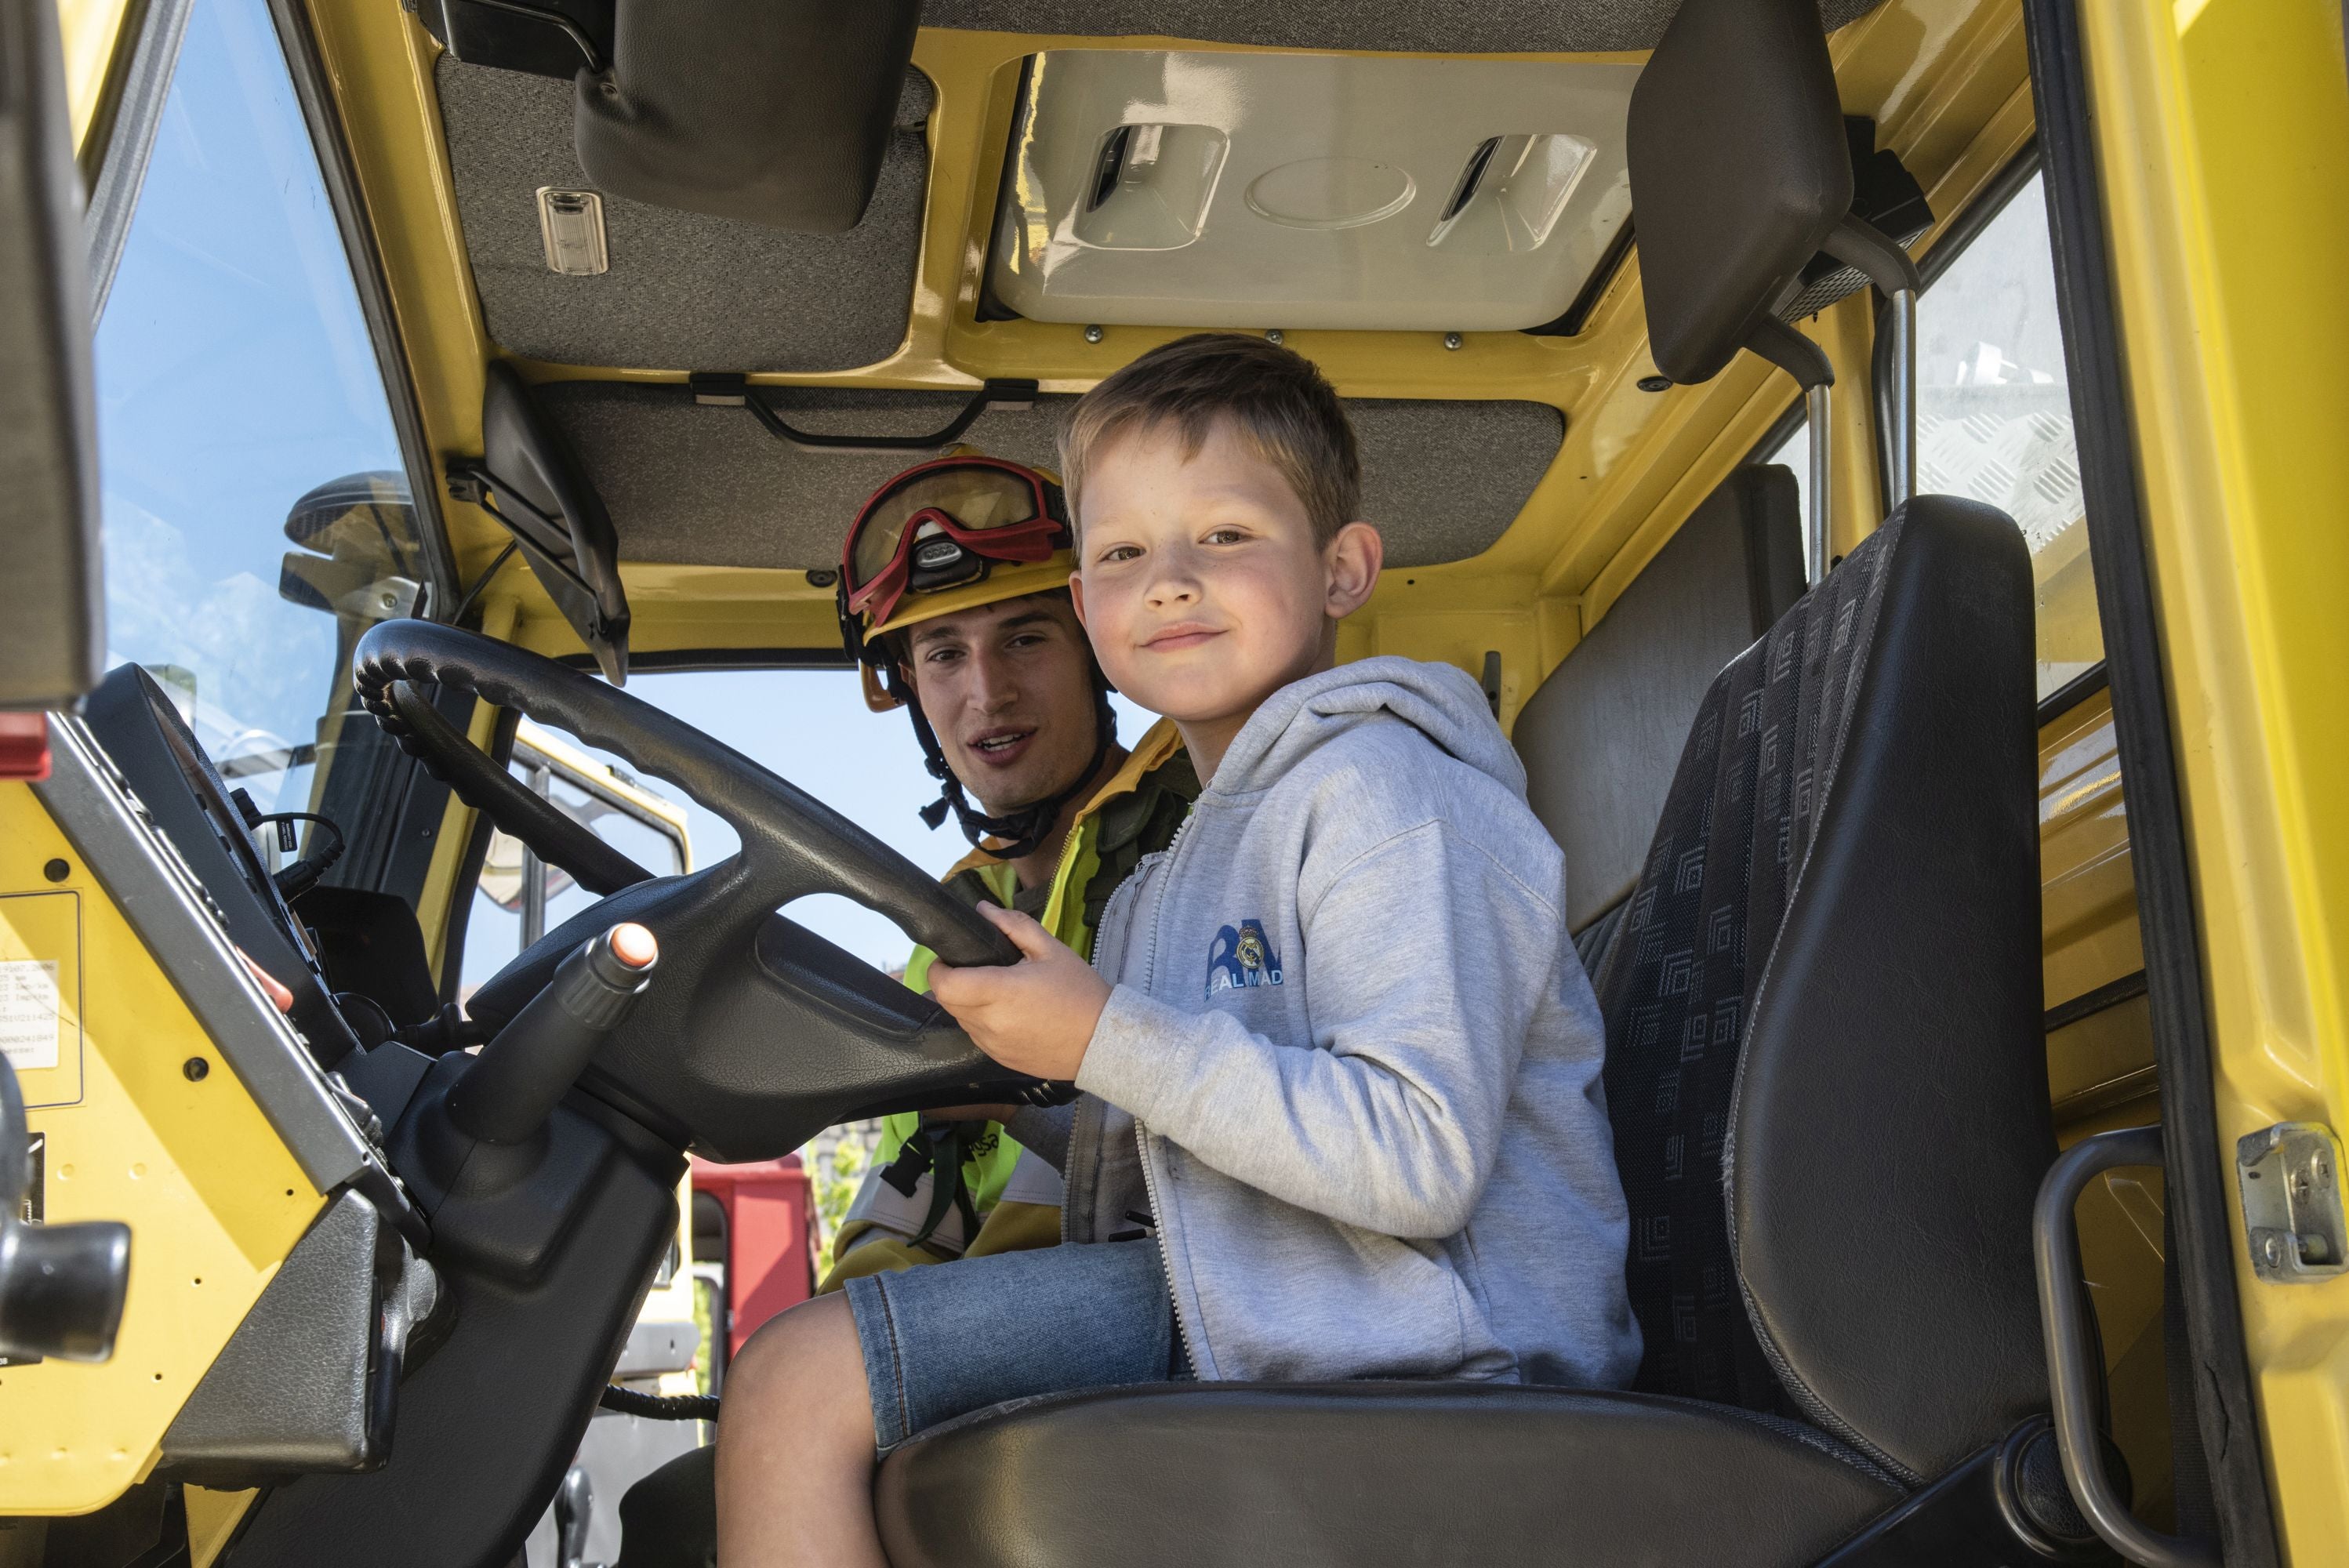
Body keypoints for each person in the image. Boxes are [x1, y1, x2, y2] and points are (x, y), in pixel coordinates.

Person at [717, 335, 1638, 1567]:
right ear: (1093, 604)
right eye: (1123, 555)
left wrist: (1103, 1036)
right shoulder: (1171, 875)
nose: (1170, 583)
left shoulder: (1390, 793)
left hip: (1440, 1358)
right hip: (1267, 1298)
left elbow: (1418, 1159)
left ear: (1344, 568)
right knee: (813, 1360)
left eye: (1225, 537)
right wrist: (1016, 1078)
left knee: (797, 1386)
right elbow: (1183, 1131)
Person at [822, 450, 1197, 1283]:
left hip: (1150, 1341)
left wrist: (1016, 1099)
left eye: (1023, 637)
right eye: (944, 654)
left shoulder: (1200, 844)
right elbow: (903, 1198)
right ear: (909, 686)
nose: (986, 693)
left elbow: (1253, 1172)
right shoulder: (944, 923)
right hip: (982, 1341)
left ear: (1095, 653)